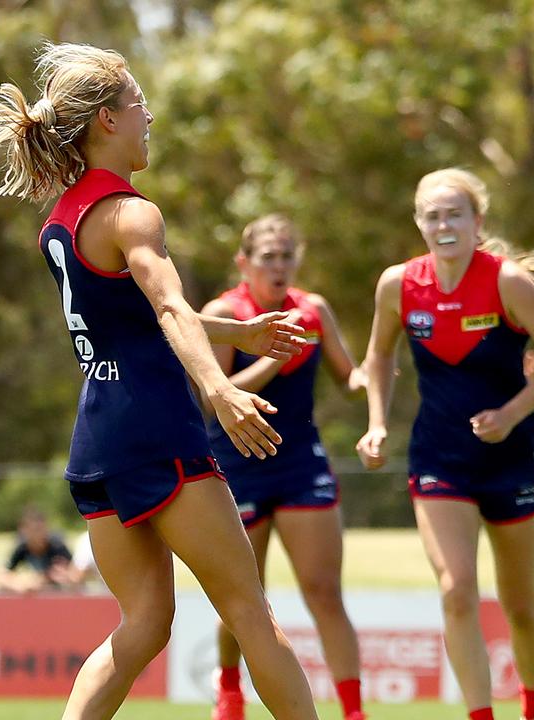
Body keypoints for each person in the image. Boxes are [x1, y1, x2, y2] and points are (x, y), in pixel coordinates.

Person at [0, 42, 318, 720]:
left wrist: (236, 334)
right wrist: (219, 387)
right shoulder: (134, 213)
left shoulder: (59, 223)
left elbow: (131, 319)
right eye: (138, 104)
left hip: (99, 440)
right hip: (159, 428)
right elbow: (164, 307)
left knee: (145, 623)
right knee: (249, 611)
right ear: (106, 119)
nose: (147, 114)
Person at [355, 167, 534, 720]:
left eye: (455, 214)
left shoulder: (507, 282)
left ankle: (533, 705)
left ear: (477, 222)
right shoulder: (398, 284)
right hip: (439, 458)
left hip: (512, 456)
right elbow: (379, 356)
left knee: (520, 603)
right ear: (419, 223)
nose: (444, 224)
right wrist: (377, 422)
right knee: (457, 589)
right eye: (433, 215)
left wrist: (511, 413)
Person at [202, 214, 367, 720]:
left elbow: (348, 377)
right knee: (245, 596)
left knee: (323, 590)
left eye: (286, 256)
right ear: (244, 263)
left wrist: (375, 370)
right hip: (239, 463)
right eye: (267, 257)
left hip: (300, 464)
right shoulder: (224, 312)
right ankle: (230, 691)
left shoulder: (313, 310)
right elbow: (217, 398)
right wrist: (275, 354)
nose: (278, 266)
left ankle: (354, 711)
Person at [0, 506, 73, 594]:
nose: (39, 535)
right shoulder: (22, 548)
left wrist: (62, 575)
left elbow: (75, 574)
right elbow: (1, 576)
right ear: (24, 530)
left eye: (41, 529)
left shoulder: (57, 547)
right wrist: (18, 585)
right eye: (34, 530)